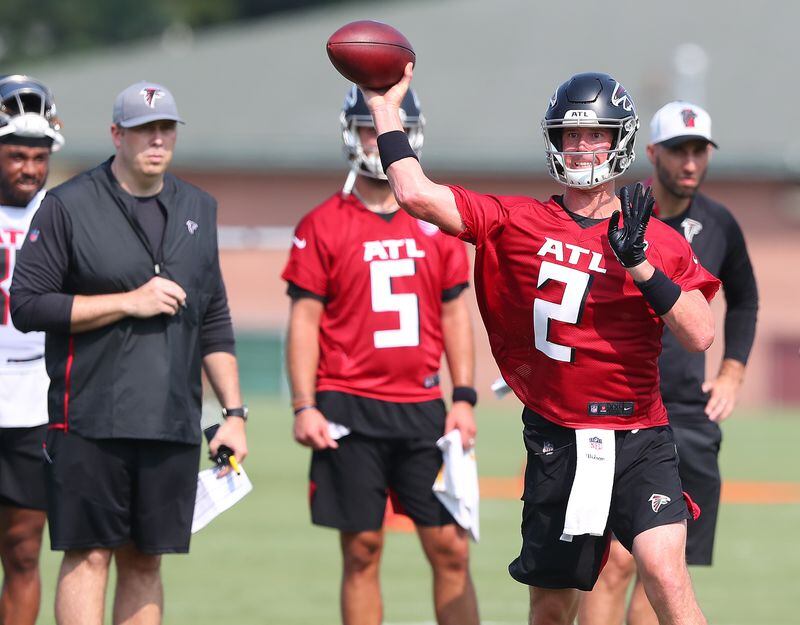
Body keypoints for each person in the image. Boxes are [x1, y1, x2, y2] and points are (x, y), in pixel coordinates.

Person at [360, 67, 721, 625]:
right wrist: (384, 107)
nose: (580, 147)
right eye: (570, 135)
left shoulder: (653, 236)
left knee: (666, 575)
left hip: (637, 436)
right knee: (551, 608)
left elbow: (700, 333)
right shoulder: (518, 221)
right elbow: (414, 193)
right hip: (558, 436)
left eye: (595, 134)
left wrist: (641, 264)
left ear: (619, 139)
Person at [10, 81, 248, 625]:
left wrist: (234, 415)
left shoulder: (198, 208)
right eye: (143, 130)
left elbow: (214, 319)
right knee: (88, 554)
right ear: (116, 135)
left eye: (165, 128)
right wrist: (128, 303)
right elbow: (28, 304)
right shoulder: (67, 206)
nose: (156, 140)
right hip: (87, 419)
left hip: (171, 422)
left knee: (146, 562)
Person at [282, 85, 480, 625]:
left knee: (451, 549)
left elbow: (455, 314)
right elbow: (304, 321)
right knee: (363, 549)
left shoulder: (437, 221)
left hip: (421, 407)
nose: (376, 139)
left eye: (385, 127)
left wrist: (462, 398)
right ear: (350, 133)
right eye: (368, 127)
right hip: (348, 406)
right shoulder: (322, 224)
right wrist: (305, 405)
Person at [578, 101, 759, 625]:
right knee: (611, 562)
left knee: (664, 568)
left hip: (685, 410)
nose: (690, 162)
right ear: (652, 152)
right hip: (617, 408)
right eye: (679, 150)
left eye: (699, 150)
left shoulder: (721, 223)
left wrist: (733, 370)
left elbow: (744, 298)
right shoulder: (618, 216)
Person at [0, 74, 64, 625]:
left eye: (38, 157)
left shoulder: (64, 214)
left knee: (24, 548)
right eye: (17, 155)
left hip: (34, 399)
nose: (29, 168)